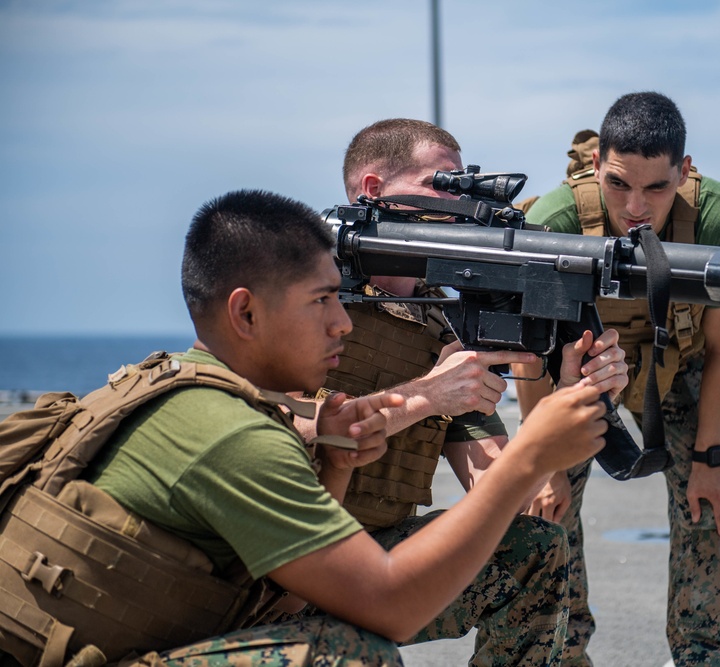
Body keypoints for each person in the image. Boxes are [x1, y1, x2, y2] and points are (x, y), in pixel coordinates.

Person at [38, 189, 608, 665]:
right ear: (246, 313)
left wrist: (335, 463)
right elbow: (387, 605)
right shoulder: (227, 431)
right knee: (348, 654)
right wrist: (530, 452)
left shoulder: (212, 392)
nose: (341, 324)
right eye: (322, 302)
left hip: (212, 616)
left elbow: (281, 599)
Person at [317, 118, 627, 666]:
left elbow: (496, 481)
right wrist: (430, 396)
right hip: (287, 558)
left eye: (464, 184)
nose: (460, 201)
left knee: (534, 548)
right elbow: (283, 430)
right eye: (442, 184)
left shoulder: (441, 317)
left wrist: (573, 397)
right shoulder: (311, 293)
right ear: (373, 191)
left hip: (378, 552)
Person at [513, 92, 720, 667]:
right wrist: (543, 466)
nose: (636, 206)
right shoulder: (553, 222)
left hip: (684, 359)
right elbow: (530, 361)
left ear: (685, 170)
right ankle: (560, 654)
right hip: (578, 371)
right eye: (620, 183)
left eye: (657, 188)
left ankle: (710, 655)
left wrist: (711, 455)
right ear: (597, 162)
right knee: (542, 513)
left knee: (712, 508)